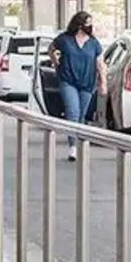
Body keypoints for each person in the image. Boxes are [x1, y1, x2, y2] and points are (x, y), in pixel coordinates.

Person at [49, 10, 107, 162]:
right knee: (73, 112)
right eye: (88, 23)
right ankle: (72, 147)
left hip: (87, 83)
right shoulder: (64, 39)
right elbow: (51, 49)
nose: (90, 26)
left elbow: (100, 64)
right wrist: (55, 61)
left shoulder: (94, 43)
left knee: (81, 115)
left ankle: (78, 141)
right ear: (79, 24)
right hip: (68, 80)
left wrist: (103, 83)